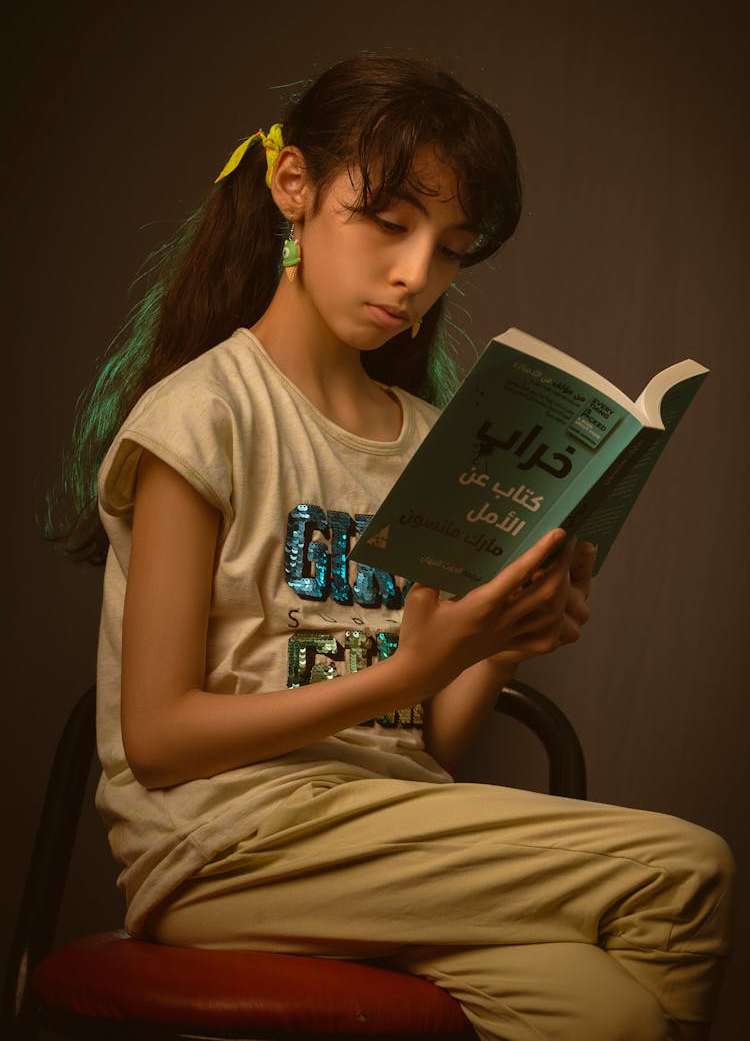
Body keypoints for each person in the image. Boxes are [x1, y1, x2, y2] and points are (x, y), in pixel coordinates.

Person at [47, 53, 733, 1041]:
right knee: (685, 868)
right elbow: (154, 735)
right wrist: (408, 667)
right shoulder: (204, 414)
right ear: (296, 189)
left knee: (612, 1011)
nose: (416, 274)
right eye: (387, 222)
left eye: (451, 248)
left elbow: (427, 740)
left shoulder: (428, 440)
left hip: (389, 842)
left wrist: (497, 635)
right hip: (231, 844)